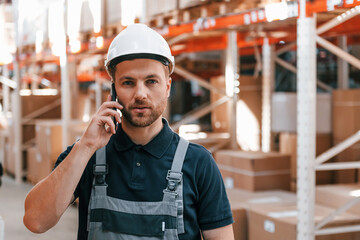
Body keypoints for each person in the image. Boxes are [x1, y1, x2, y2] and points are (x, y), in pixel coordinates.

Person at [23, 23, 234, 240]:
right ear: (113, 90)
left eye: (151, 81)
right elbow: (35, 221)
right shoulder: (86, 156)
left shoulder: (199, 163)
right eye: (128, 82)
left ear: (167, 87)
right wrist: (85, 147)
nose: (140, 94)